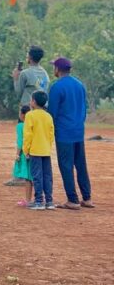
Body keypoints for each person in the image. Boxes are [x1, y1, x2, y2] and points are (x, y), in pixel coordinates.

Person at [48, 57, 94, 210]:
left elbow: (52, 113)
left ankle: (72, 200)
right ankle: (87, 198)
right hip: (78, 130)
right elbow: (84, 108)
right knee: (81, 165)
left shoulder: (56, 87)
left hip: (63, 133)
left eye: (54, 67)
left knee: (66, 166)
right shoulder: (79, 85)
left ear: (58, 69)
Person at [23, 90, 55, 210]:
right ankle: (49, 201)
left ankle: (38, 201)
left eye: (31, 99)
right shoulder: (48, 116)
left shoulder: (30, 115)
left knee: (37, 176)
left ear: (34, 102)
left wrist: (26, 150)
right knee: (47, 176)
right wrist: (48, 145)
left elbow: (28, 135)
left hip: (35, 151)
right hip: (46, 150)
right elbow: (51, 134)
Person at [12, 104, 33, 207]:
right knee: (35, 177)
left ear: (23, 115)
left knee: (28, 178)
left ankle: (28, 200)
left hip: (25, 154)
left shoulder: (20, 126)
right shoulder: (32, 124)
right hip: (34, 152)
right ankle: (39, 198)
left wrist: (17, 154)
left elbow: (20, 142)